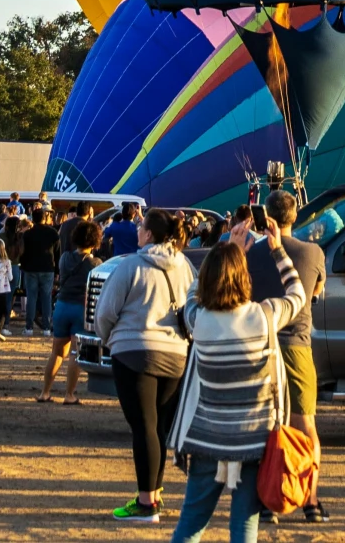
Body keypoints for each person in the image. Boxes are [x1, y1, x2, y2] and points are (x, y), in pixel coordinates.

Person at [167, 226, 307, 542]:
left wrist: (223, 252)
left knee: (190, 526)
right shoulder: (265, 315)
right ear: (244, 278)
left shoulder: (198, 320)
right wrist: (276, 250)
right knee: (244, 527)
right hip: (253, 441)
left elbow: (192, 292)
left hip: (207, 438)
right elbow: (297, 294)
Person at [94, 206, 196, 522]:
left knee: (143, 427)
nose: (137, 230)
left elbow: (106, 312)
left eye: (141, 227)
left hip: (134, 351)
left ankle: (145, 503)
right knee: (158, 428)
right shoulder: (186, 266)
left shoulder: (131, 266)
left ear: (149, 234)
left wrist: (109, 338)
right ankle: (155, 492)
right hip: (175, 355)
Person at [248, 190, 327, 521]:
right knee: (305, 423)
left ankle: (267, 501)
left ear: (265, 216)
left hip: (260, 344)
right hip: (296, 345)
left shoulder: (251, 253)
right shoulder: (313, 252)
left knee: (265, 425)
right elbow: (317, 292)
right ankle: (310, 501)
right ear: (295, 217)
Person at [39, 216, 99, 403]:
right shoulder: (95, 263)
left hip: (62, 307)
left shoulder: (65, 258)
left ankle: (45, 392)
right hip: (81, 309)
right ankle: (69, 394)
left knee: (56, 352)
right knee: (75, 353)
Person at [20, 204, 58, 336]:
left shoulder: (27, 234)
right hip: (48, 268)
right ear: (45, 218)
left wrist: (23, 266)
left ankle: (29, 327)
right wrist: (57, 270)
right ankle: (47, 328)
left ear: (33, 219)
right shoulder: (53, 233)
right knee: (47, 298)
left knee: (31, 297)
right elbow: (57, 253)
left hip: (30, 269)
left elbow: (23, 253)